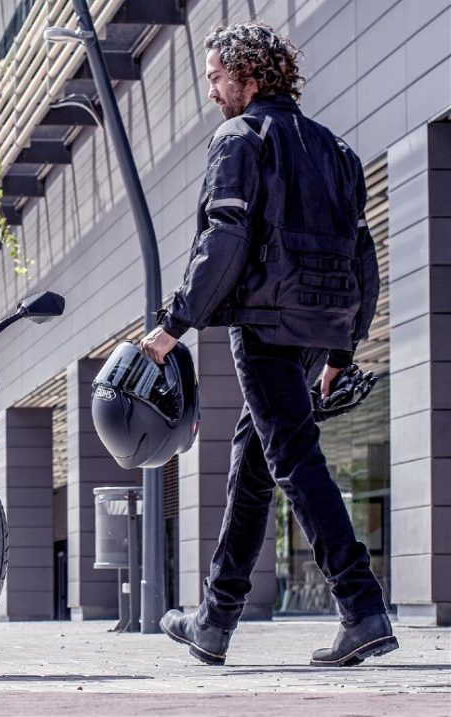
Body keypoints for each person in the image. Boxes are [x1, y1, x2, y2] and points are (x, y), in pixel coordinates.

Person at [140, 21, 396, 667]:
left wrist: (177, 322)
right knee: (255, 456)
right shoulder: (334, 148)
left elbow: (224, 236)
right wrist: (344, 347)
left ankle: (361, 606)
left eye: (217, 78)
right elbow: (361, 251)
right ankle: (216, 620)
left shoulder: (240, 137)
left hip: (269, 322)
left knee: (292, 455)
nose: (212, 91)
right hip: (321, 320)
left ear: (250, 77)